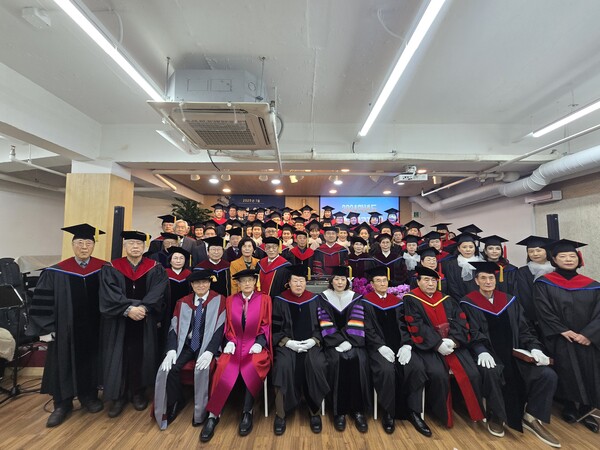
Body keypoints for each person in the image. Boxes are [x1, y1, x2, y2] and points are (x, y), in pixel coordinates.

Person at [460, 261, 560, 446]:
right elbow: (470, 331)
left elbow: (524, 328)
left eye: (491, 278)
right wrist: (481, 350)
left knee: (548, 375)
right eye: (483, 278)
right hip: (488, 354)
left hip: (515, 353)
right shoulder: (468, 302)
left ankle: (531, 415)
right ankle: (497, 416)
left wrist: (534, 347)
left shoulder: (509, 300)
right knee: (491, 372)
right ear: (476, 281)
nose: (488, 281)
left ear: (496, 280)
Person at [27, 223, 107, 427]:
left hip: (94, 328)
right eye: (79, 243)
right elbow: (42, 302)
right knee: (62, 363)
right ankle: (62, 404)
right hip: (65, 330)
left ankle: (89, 396)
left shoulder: (104, 269)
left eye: (88, 243)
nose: (84, 247)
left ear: (93, 246)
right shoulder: (56, 271)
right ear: (72, 245)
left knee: (91, 361)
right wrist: (47, 328)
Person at [403, 266, 485, 428]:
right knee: (438, 375)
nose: (430, 284)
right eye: (426, 280)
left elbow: (460, 321)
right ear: (418, 282)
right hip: (429, 347)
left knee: (473, 373)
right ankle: (441, 413)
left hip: (452, 345)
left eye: (434, 280)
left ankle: (471, 410)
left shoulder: (446, 299)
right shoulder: (410, 299)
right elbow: (417, 325)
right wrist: (437, 343)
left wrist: (453, 341)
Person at [100, 230, 168, 418]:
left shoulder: (155, 268)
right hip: (120, 321)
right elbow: (109, 293)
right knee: (119, 355)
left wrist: (144, 308)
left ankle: (138, 393)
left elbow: (158, 291)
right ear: (125, 246)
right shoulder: (112, 267)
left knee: (141, 355)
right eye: (131, 243)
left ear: (144, 247)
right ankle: (119, 396)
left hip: (144, 320)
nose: (135, 247)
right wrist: (128, 309)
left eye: (139, 244)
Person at [534, 239, 600, 434]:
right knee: (566, 369)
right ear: (554, 259)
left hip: (587, 339)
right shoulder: (544, 283)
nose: (568, 259)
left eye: (572, 256)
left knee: (589, 370)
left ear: (579, 259)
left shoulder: (593, 285)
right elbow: (543, 310)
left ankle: (587, 409)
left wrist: (589, 334)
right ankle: (569, 406)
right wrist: (563, 330)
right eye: (563, 256)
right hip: (561, 336)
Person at [201, 269, 272, 442]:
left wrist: (259, 342)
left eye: (250, 280)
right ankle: (213, 415)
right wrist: (230, 341)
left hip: (254, 345)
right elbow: (228, 325)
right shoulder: (231, 300)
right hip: (235, 344)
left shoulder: (264, 299)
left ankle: (247, 411)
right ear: (238, 284)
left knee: (254, 364)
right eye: (243, 281)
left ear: (255, 282)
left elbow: (266, 324)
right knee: (223, 365)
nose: (247, 284)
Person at [362, 266, 431, 436]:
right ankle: (389, 412)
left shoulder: (398, 302)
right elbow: (367, 329)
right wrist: (380, 346)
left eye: (384, 280)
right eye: (378, 281)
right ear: (372, 284)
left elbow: (406, 324)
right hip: (378, 348)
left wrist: (407, 345)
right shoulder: (365, 302)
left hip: (400, 346)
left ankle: (413, 412)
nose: (382, 283)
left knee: (416, 367)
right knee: (386, 370)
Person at [153, 269, 226, 430]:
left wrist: (210, 351)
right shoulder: (183, 302)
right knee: (170, 369)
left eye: (204, 282)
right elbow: (173, 328)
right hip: (186, 344)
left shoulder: (219, 300)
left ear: (209, 283)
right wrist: (171, 349)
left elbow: (220, 329)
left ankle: (201, 411)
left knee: (203, 369)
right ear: (192, 285)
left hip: (206, 344)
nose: (201, 286)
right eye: (197, 283)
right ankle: (176, 401)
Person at [271, 265, 329, 435]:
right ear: (289, 283)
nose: (298, 284)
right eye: (295, 281)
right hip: (287, 345)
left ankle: (314, 411)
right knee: (282, 366)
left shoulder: (315, 299)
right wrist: (287, 342)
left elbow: (324, 324)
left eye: (301, 281)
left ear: (306, 282)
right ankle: (281, 414)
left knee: (317, 364)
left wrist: (314, 340)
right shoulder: (280, 300)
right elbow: (275, 328)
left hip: (311, 344)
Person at [317, 266, 370, 433]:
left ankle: (358, 410)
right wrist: (338, 341)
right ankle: (339, 412)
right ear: (331, 281)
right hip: (333, 344)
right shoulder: (323, 298)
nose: (339, 282)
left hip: (353, 342)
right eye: (336, 279)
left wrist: (349, 341)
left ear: (347, 281)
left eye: (342, 279)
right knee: (337, 361)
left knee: (357, 359)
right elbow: (324, 322)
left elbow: (357, 320)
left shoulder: (355, 298)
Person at [514, 235, 555, 329]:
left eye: (538, 250)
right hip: (536, 318)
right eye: (531, 251)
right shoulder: (523, 271)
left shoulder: (556, 269)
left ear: (546, 251)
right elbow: (525, 296)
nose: (535, 254)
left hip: (558, 315)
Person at [442, 232, 484, 300]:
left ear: (475, 248)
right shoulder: (451, 265)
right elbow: (452, 286)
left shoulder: (481, 263)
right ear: (458, 248)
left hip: (480, 300)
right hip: (459, 301)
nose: (468, 250)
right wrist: (462, 301)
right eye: (464, 247)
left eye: (471, 247)